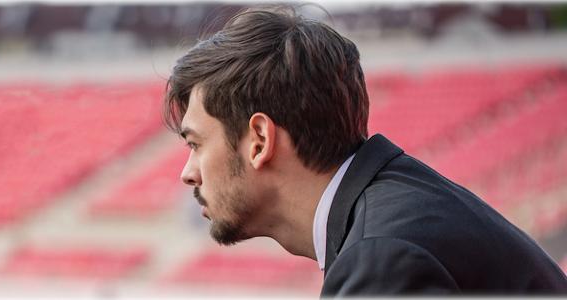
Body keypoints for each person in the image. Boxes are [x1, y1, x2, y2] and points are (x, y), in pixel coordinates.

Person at [164, 4, 567, 296]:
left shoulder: (383, 260)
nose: (188, 172)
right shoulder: (392, 212)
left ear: (260, 141)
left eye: (196, 144)